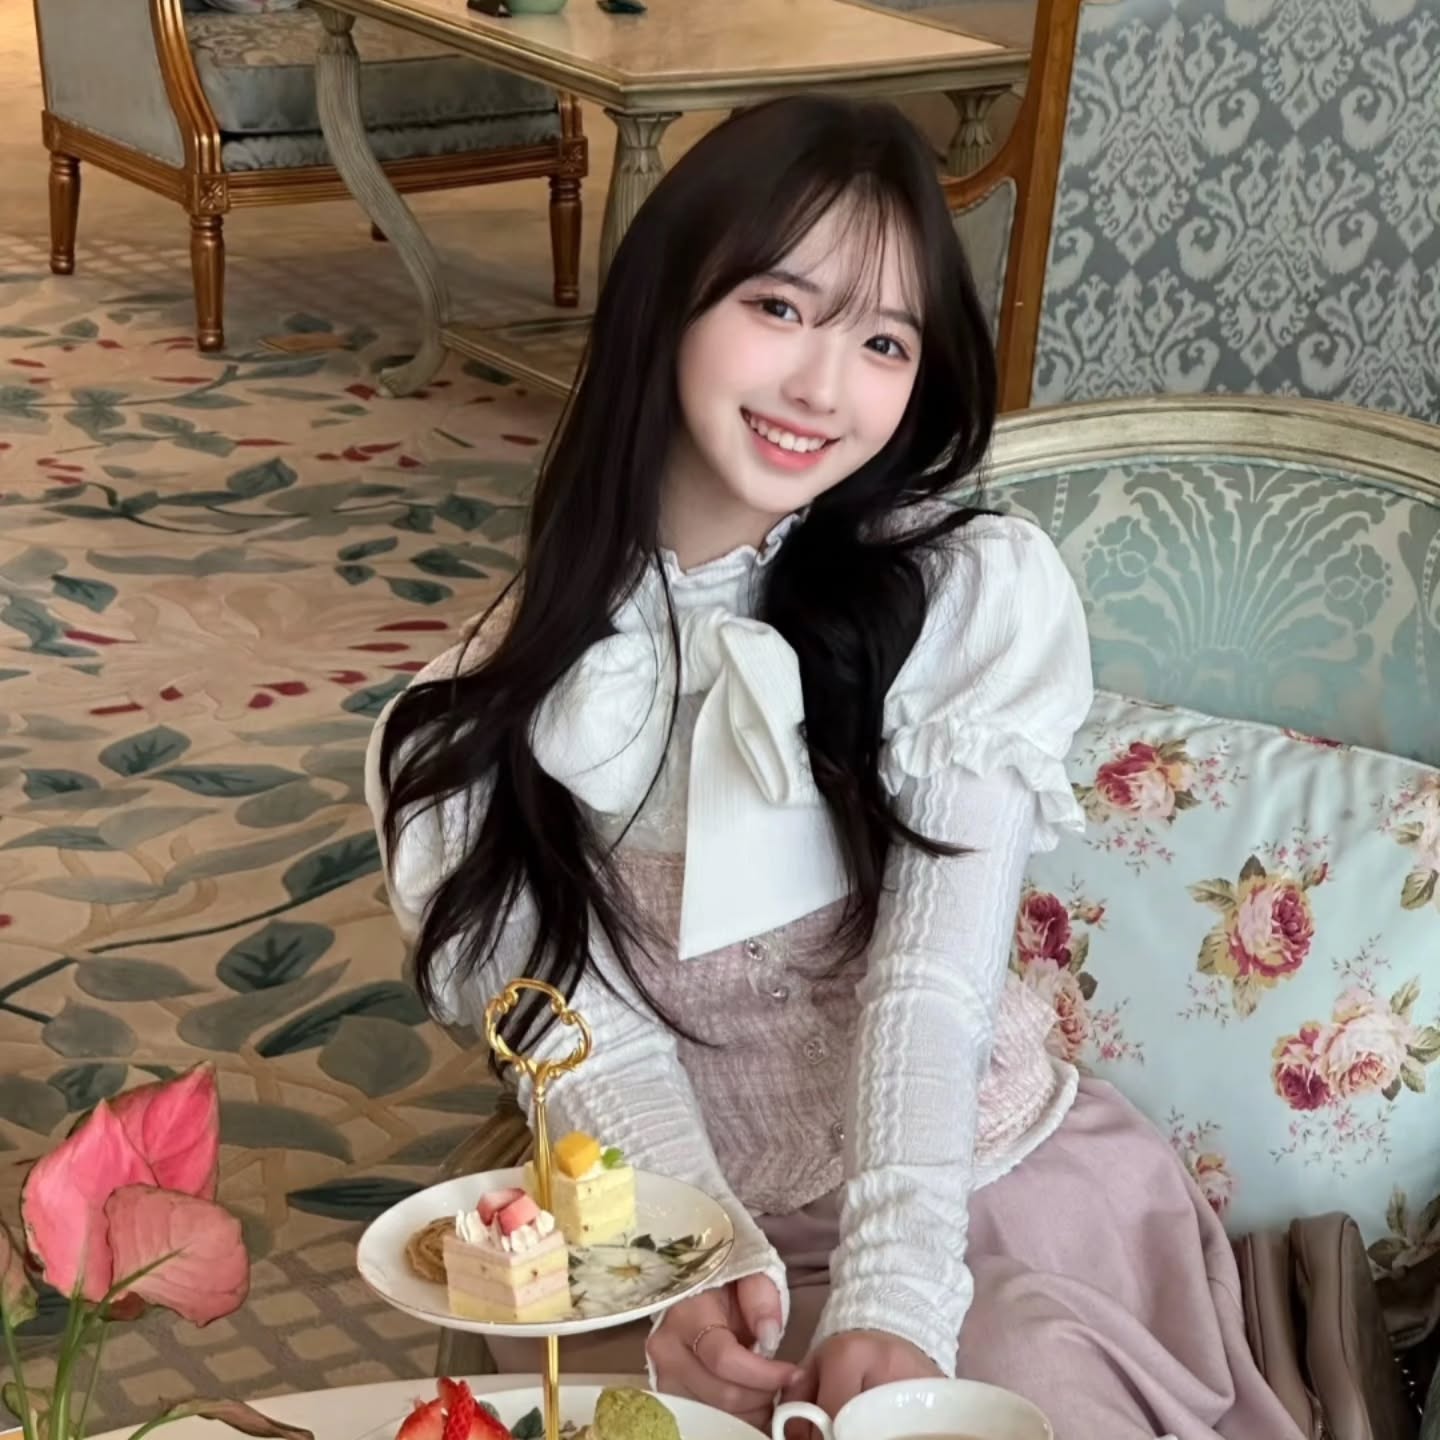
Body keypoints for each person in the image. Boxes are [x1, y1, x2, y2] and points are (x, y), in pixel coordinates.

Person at [365, 96, 1303, 1440]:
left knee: (1007, 1395)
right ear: (666, 305)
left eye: (882, 341)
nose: (822, 387)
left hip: (981, 1200)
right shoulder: (465, 720)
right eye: (779, 307)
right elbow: (580, 1040)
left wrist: (897, 1295)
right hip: (681, 1229)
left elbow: (933, 985)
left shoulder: (966, 599)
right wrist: (685, 1263)